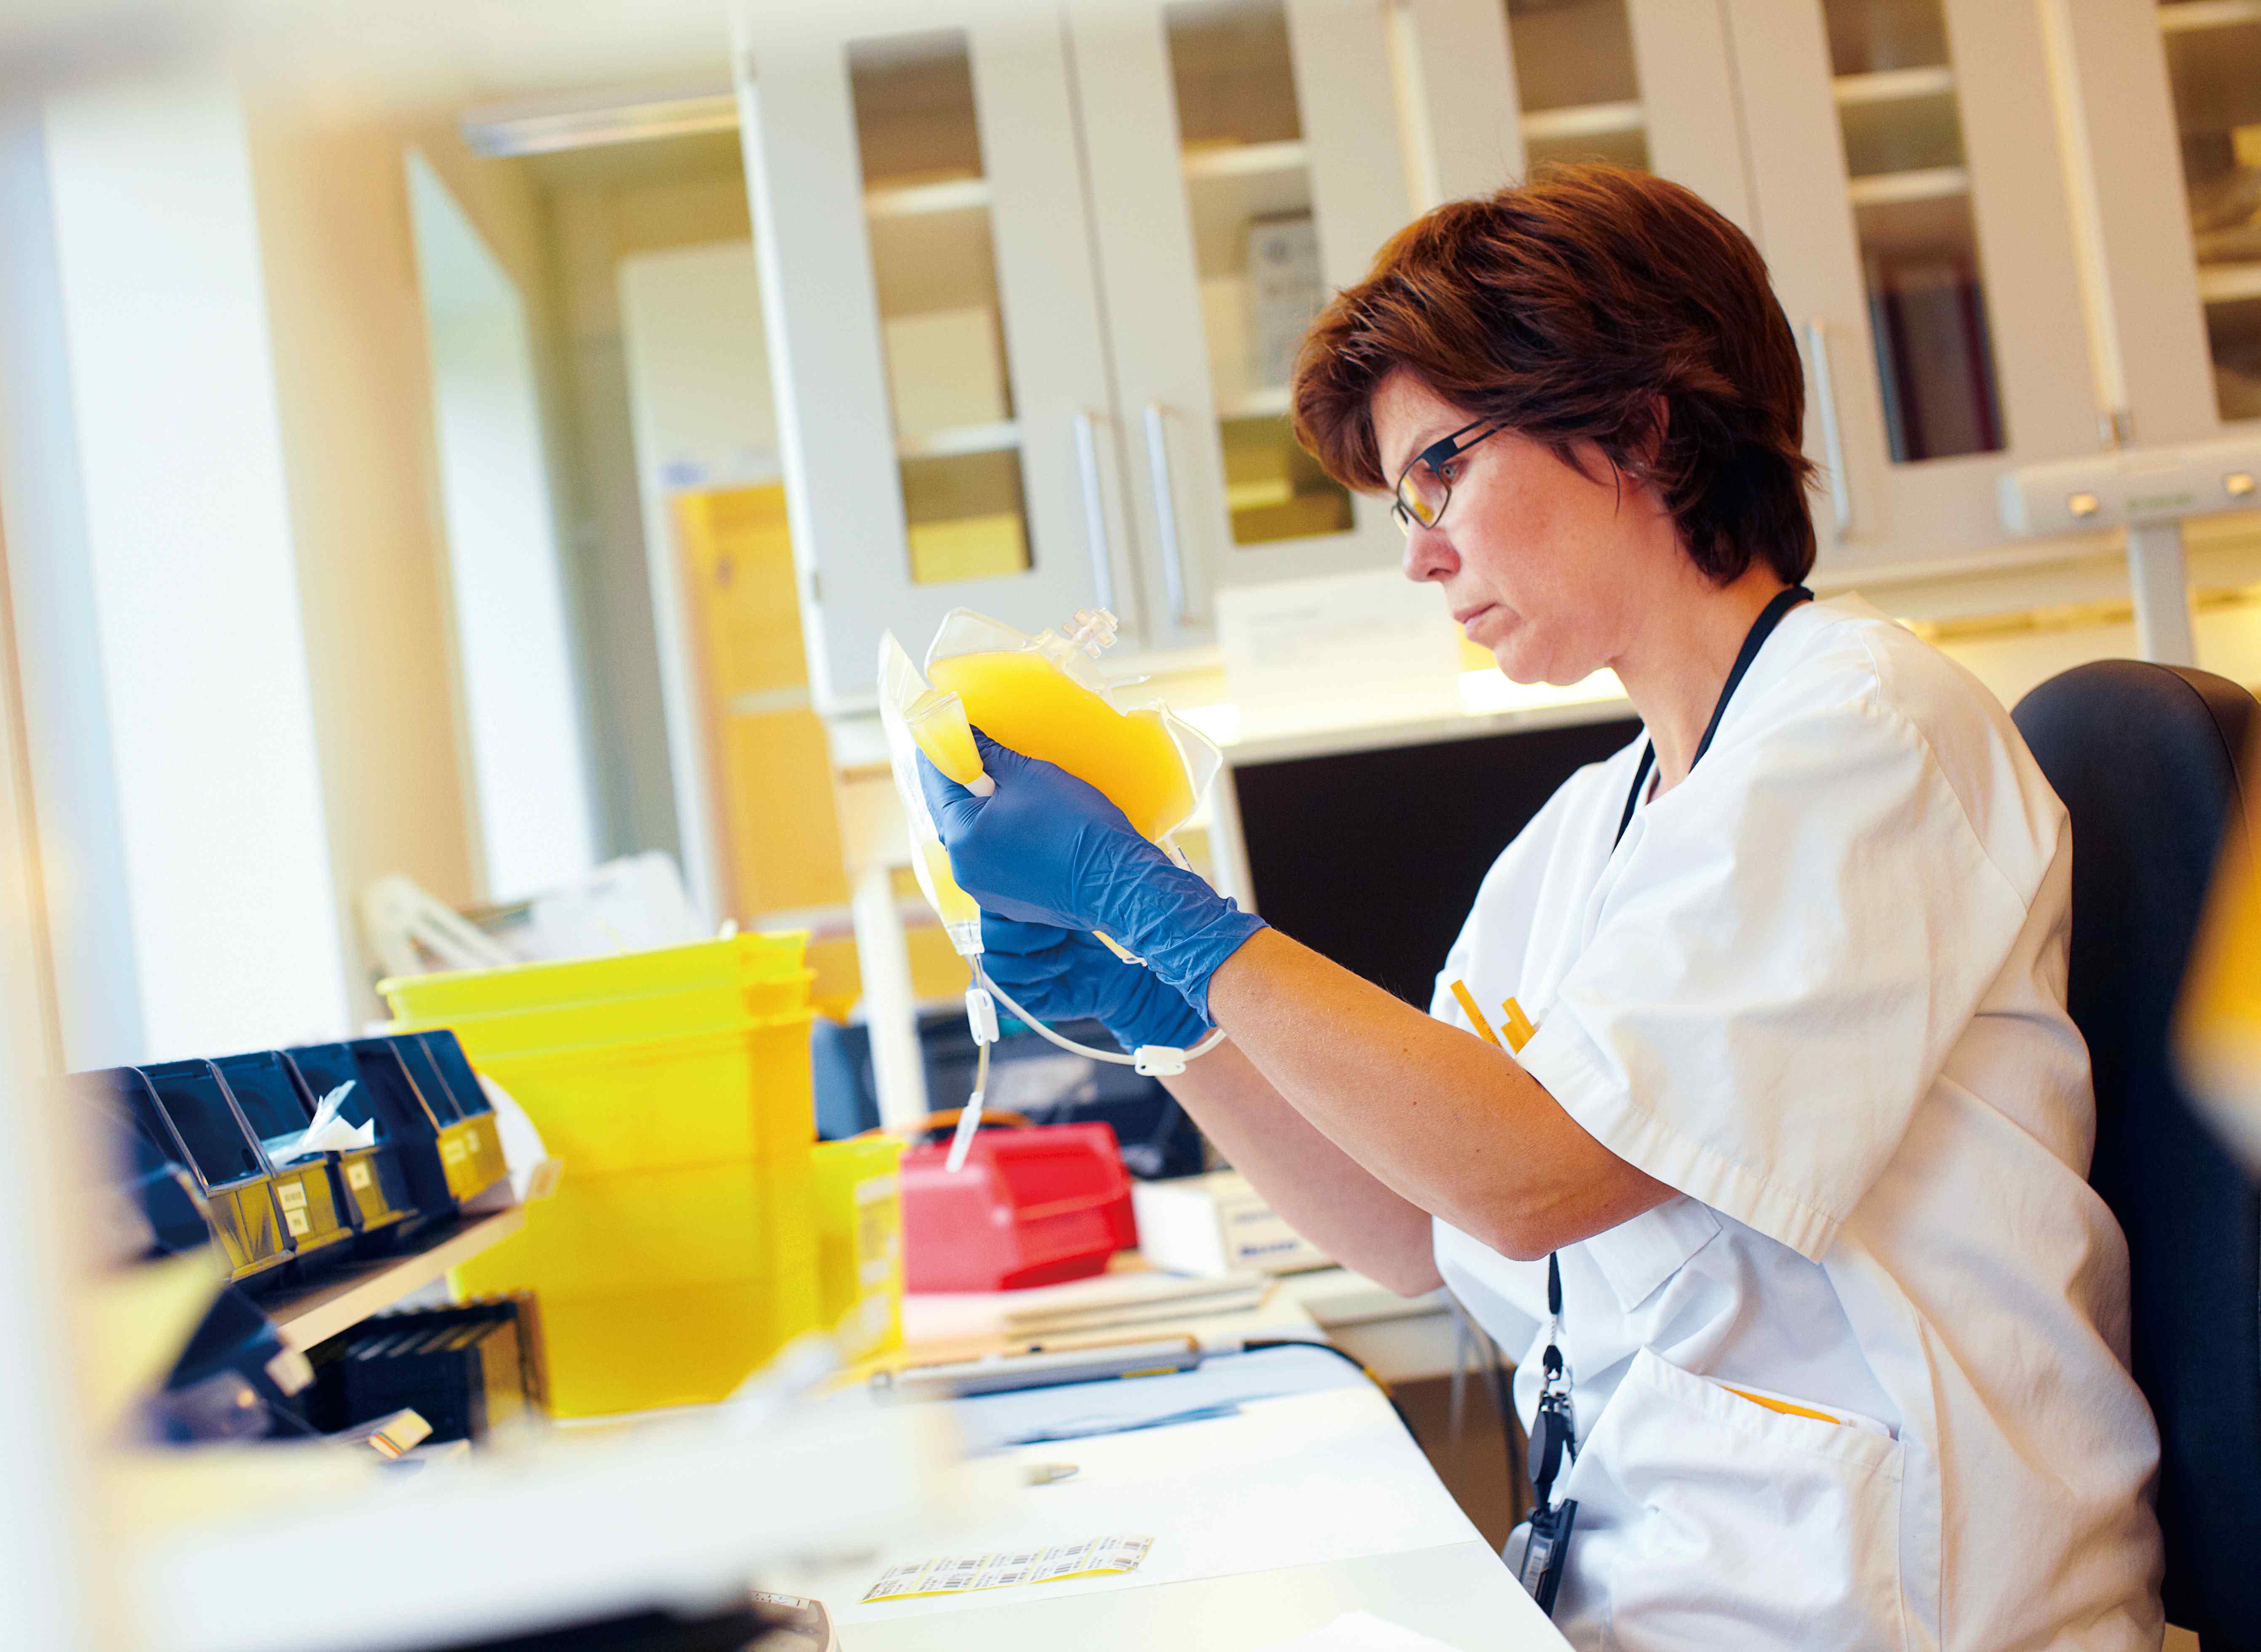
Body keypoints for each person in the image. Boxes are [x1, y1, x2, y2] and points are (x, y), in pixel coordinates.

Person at [923, 165, 2163, 1650]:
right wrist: (1166, 1017)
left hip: (1890, 1613)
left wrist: (1168, 911)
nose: (1418, 549)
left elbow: (1535, 1176)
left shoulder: (1865, 732)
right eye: (1402, 499)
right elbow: (1417, 1224)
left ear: (1634, 422)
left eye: (1439, 469)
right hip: (1678, 1599)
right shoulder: (1591, 827)